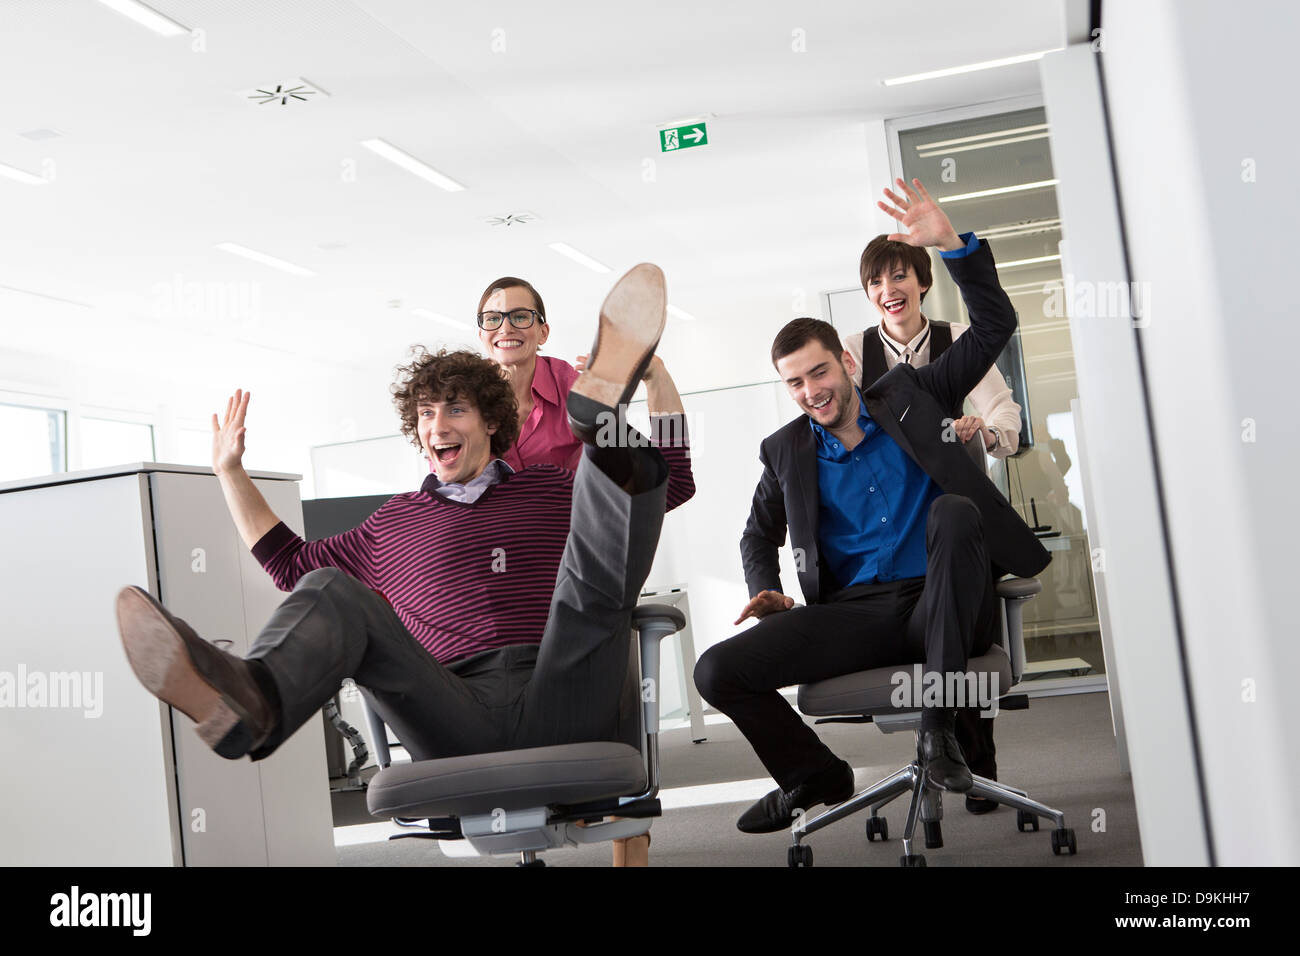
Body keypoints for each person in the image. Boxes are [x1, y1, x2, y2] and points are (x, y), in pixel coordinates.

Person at [115, 265, 695, 849]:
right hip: (451, 712)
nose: (437, 425)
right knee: (332, 589)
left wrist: (656, 381)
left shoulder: (546, 486)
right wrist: (229, 472)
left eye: (456, 410)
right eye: (425, 414)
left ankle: (603, 429)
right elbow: (289, 563)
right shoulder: (391, 522)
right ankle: (251, 701)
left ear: (493, 421)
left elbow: (669, 485)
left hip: (562, 690)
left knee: (589, 563)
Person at [693, 179, 1049, 834]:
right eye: (795, 382)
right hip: (854, 614)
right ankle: (816, 775)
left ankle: (939, 731)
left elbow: (995, 326)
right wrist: (765, 588)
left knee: (953, 512)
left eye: (819, 372)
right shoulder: (786, 450)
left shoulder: (916, 395)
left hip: (942, 597)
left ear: (847, 363)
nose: (811, 391)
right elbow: (756, 534)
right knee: (718, 670)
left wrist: (953, 245)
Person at [849, 233, 1025, 813]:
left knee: (966, 636)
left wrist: (985, 431)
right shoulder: (852, 353)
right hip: (893, 525)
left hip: (958, 511)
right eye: (876, 281)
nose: (888, 289)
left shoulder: (956, 340)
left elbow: (1004, 413)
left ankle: (975, 760)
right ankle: (939, 747)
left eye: (899, 276)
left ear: (922, 283)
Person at [474, 275, 582, 471]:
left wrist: (649, 383)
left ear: (543, 333)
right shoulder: (462, 391)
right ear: (482, 335)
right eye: (493, 319)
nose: (505, 329)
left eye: (520, 317)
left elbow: (624, 454)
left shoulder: (575, 388)